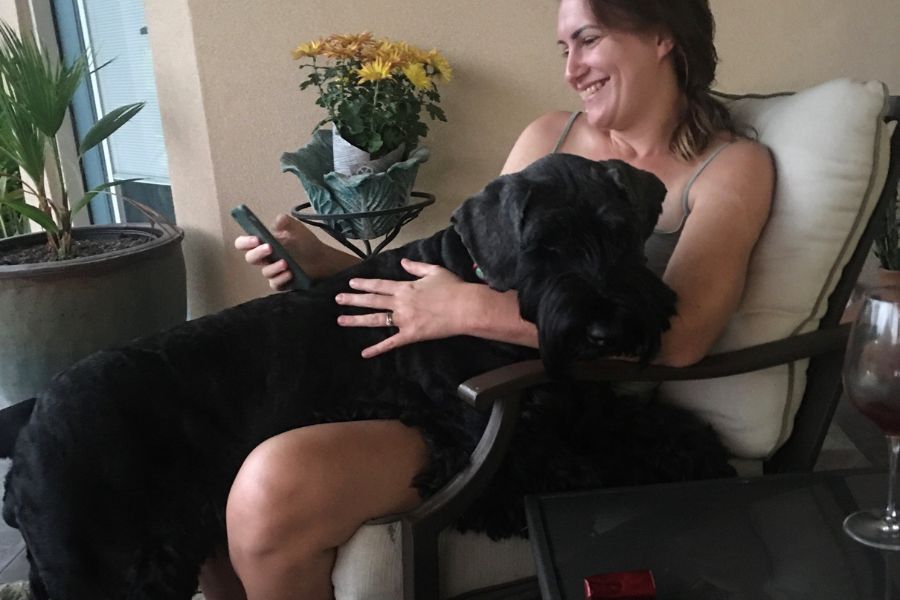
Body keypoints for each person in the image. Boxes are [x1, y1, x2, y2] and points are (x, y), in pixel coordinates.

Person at [203, 0, 774, 597]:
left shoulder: (730, 165)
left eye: (588, 40)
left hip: (544, 411)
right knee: (224, 435)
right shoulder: (548, 135)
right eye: (565, 50)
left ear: (661, 34)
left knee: (273, 489)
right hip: (442, 380)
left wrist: (469, 310)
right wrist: (327, 268)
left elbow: (681, 341)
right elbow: (454, 276)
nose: (572, 68)